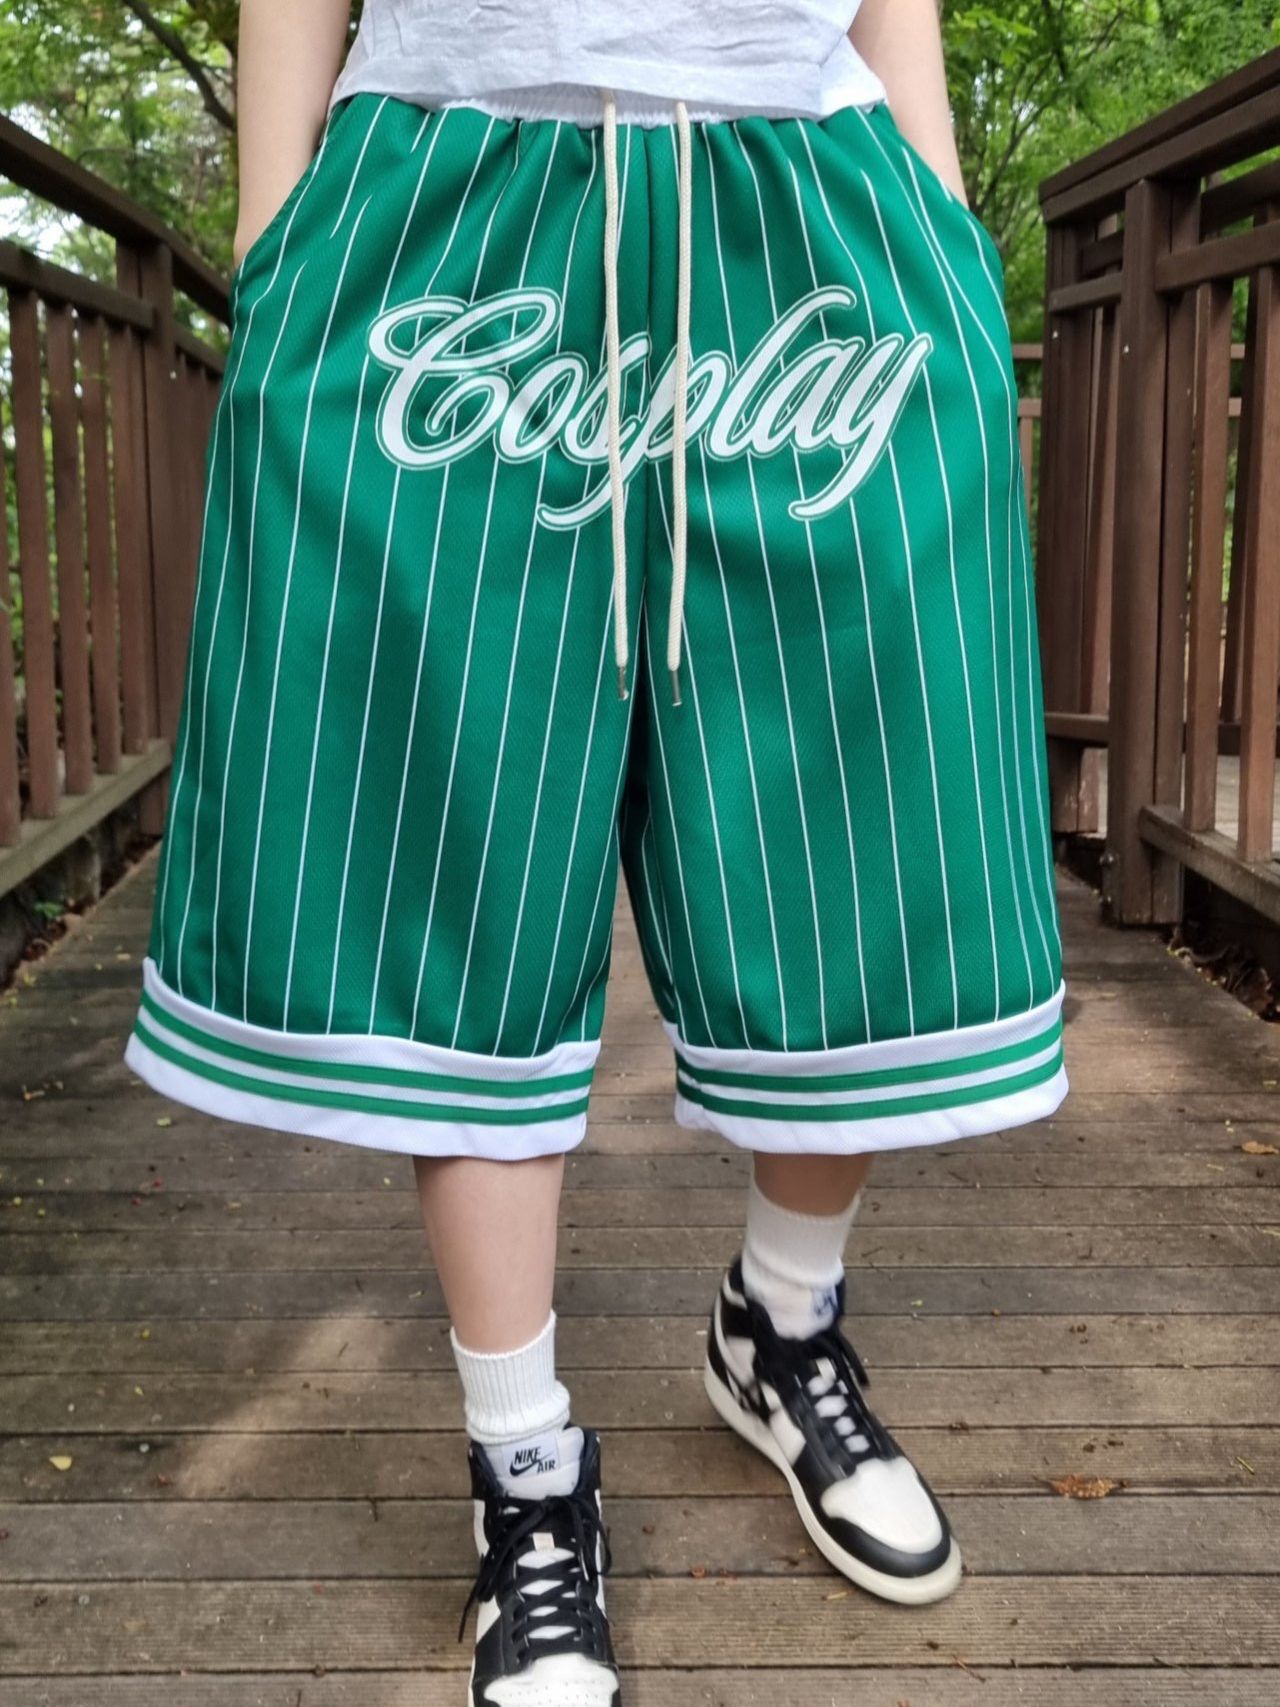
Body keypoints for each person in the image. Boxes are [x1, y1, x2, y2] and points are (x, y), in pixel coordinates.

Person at [125, 0, 1068, 1699]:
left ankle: (781, 1323)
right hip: (445, 213)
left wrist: (937, 211)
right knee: (460, 873)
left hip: (813, 219)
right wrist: (278, 254)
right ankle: (525, 1468)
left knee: (856, 844)